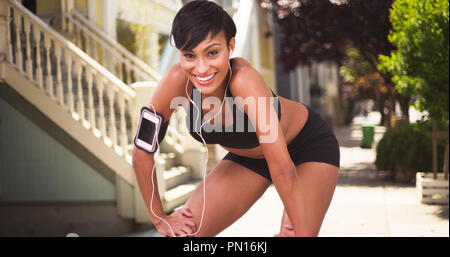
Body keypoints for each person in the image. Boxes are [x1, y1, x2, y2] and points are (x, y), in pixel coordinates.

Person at [132, 0, 340, 237]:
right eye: (189, 55)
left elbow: (283, 169)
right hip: (249, 158)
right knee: (185, 234)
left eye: (212, 52)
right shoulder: (175, 82)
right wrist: (159, 219)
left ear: (230, 46)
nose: (201, 69)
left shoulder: (244, 81)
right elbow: (141, 153)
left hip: (307, 147)